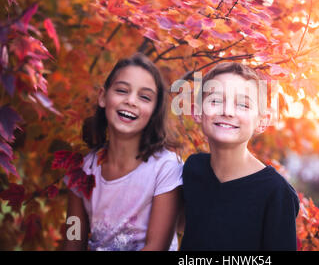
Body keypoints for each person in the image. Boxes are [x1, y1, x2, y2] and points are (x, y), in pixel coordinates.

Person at [63, 53, 183, 251]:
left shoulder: (166, 168)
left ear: (154, 110)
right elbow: (73, 237)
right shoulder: (82, 169)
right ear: (103, 97)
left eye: (144, 97)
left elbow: (157, 247)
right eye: (122, 90)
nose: (131, 101)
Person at [180, 62, 299, 251]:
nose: (227, 112)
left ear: (262, 121)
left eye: (243, 105)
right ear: (196, 111)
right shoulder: (194, 169)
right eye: (216, 101)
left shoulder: (275, 192)